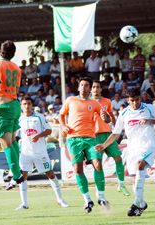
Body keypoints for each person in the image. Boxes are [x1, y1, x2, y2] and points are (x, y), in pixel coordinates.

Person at [95, 88, 155, 216]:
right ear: (128, 101)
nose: (135, 103)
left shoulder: (150, 108)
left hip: (148, 146)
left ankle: (135, 204)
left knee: (140, 164)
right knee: (135, 181)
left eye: (137, 100)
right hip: (133, 149)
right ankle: (141, 204)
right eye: (132, 101)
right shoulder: (124, 113)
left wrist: (151, 121)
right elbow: (115, 133)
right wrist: (104, 145)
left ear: (140, 98)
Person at [59, 77, 109, 213]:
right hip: (73, 139)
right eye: (81, 85)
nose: (84, 87)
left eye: (87, 85)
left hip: (91, 138)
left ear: (90, 88)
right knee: (78, 169)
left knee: (98, 163)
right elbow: (61, 115)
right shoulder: (70, 100)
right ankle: (87, 200)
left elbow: (107, 117)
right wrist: (63, 126)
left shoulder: (94, 103)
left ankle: (101, 197)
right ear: (78, 87)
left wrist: (106, 118)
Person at [13, 97, 68, 210]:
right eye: (24, 104)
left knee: (51, 174)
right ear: (21, 106)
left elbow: (49, 131)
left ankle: (60, 199)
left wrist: (38, 136)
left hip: (40, 152)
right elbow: (15, 135)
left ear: (32, 105)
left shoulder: (39, 117)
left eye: (29, 103)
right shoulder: (18, 119)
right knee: (23, 177)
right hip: (25, 153)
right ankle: (24, 203)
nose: (27, 106)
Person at [0, 40, 24, 186]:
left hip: (3, 106)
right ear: (13, 54)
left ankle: (17, 174)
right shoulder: (16, 68)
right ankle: (15, 170)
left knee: (5, 143)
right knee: (12, 141)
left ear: (0, 51)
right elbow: (16, 89)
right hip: (14, 104)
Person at [91, 81, 130, 196]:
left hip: (107, 134)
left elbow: (112, 119)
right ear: (91, 89)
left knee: (118, 158)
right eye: (94, 87)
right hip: (94, 136)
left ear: (101, 89)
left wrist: (109, 120)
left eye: (98, 87)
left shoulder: (107, 101)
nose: (96, 89)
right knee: (97, 164)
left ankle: (121, 185)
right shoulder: (86, 103)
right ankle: (100, 192)